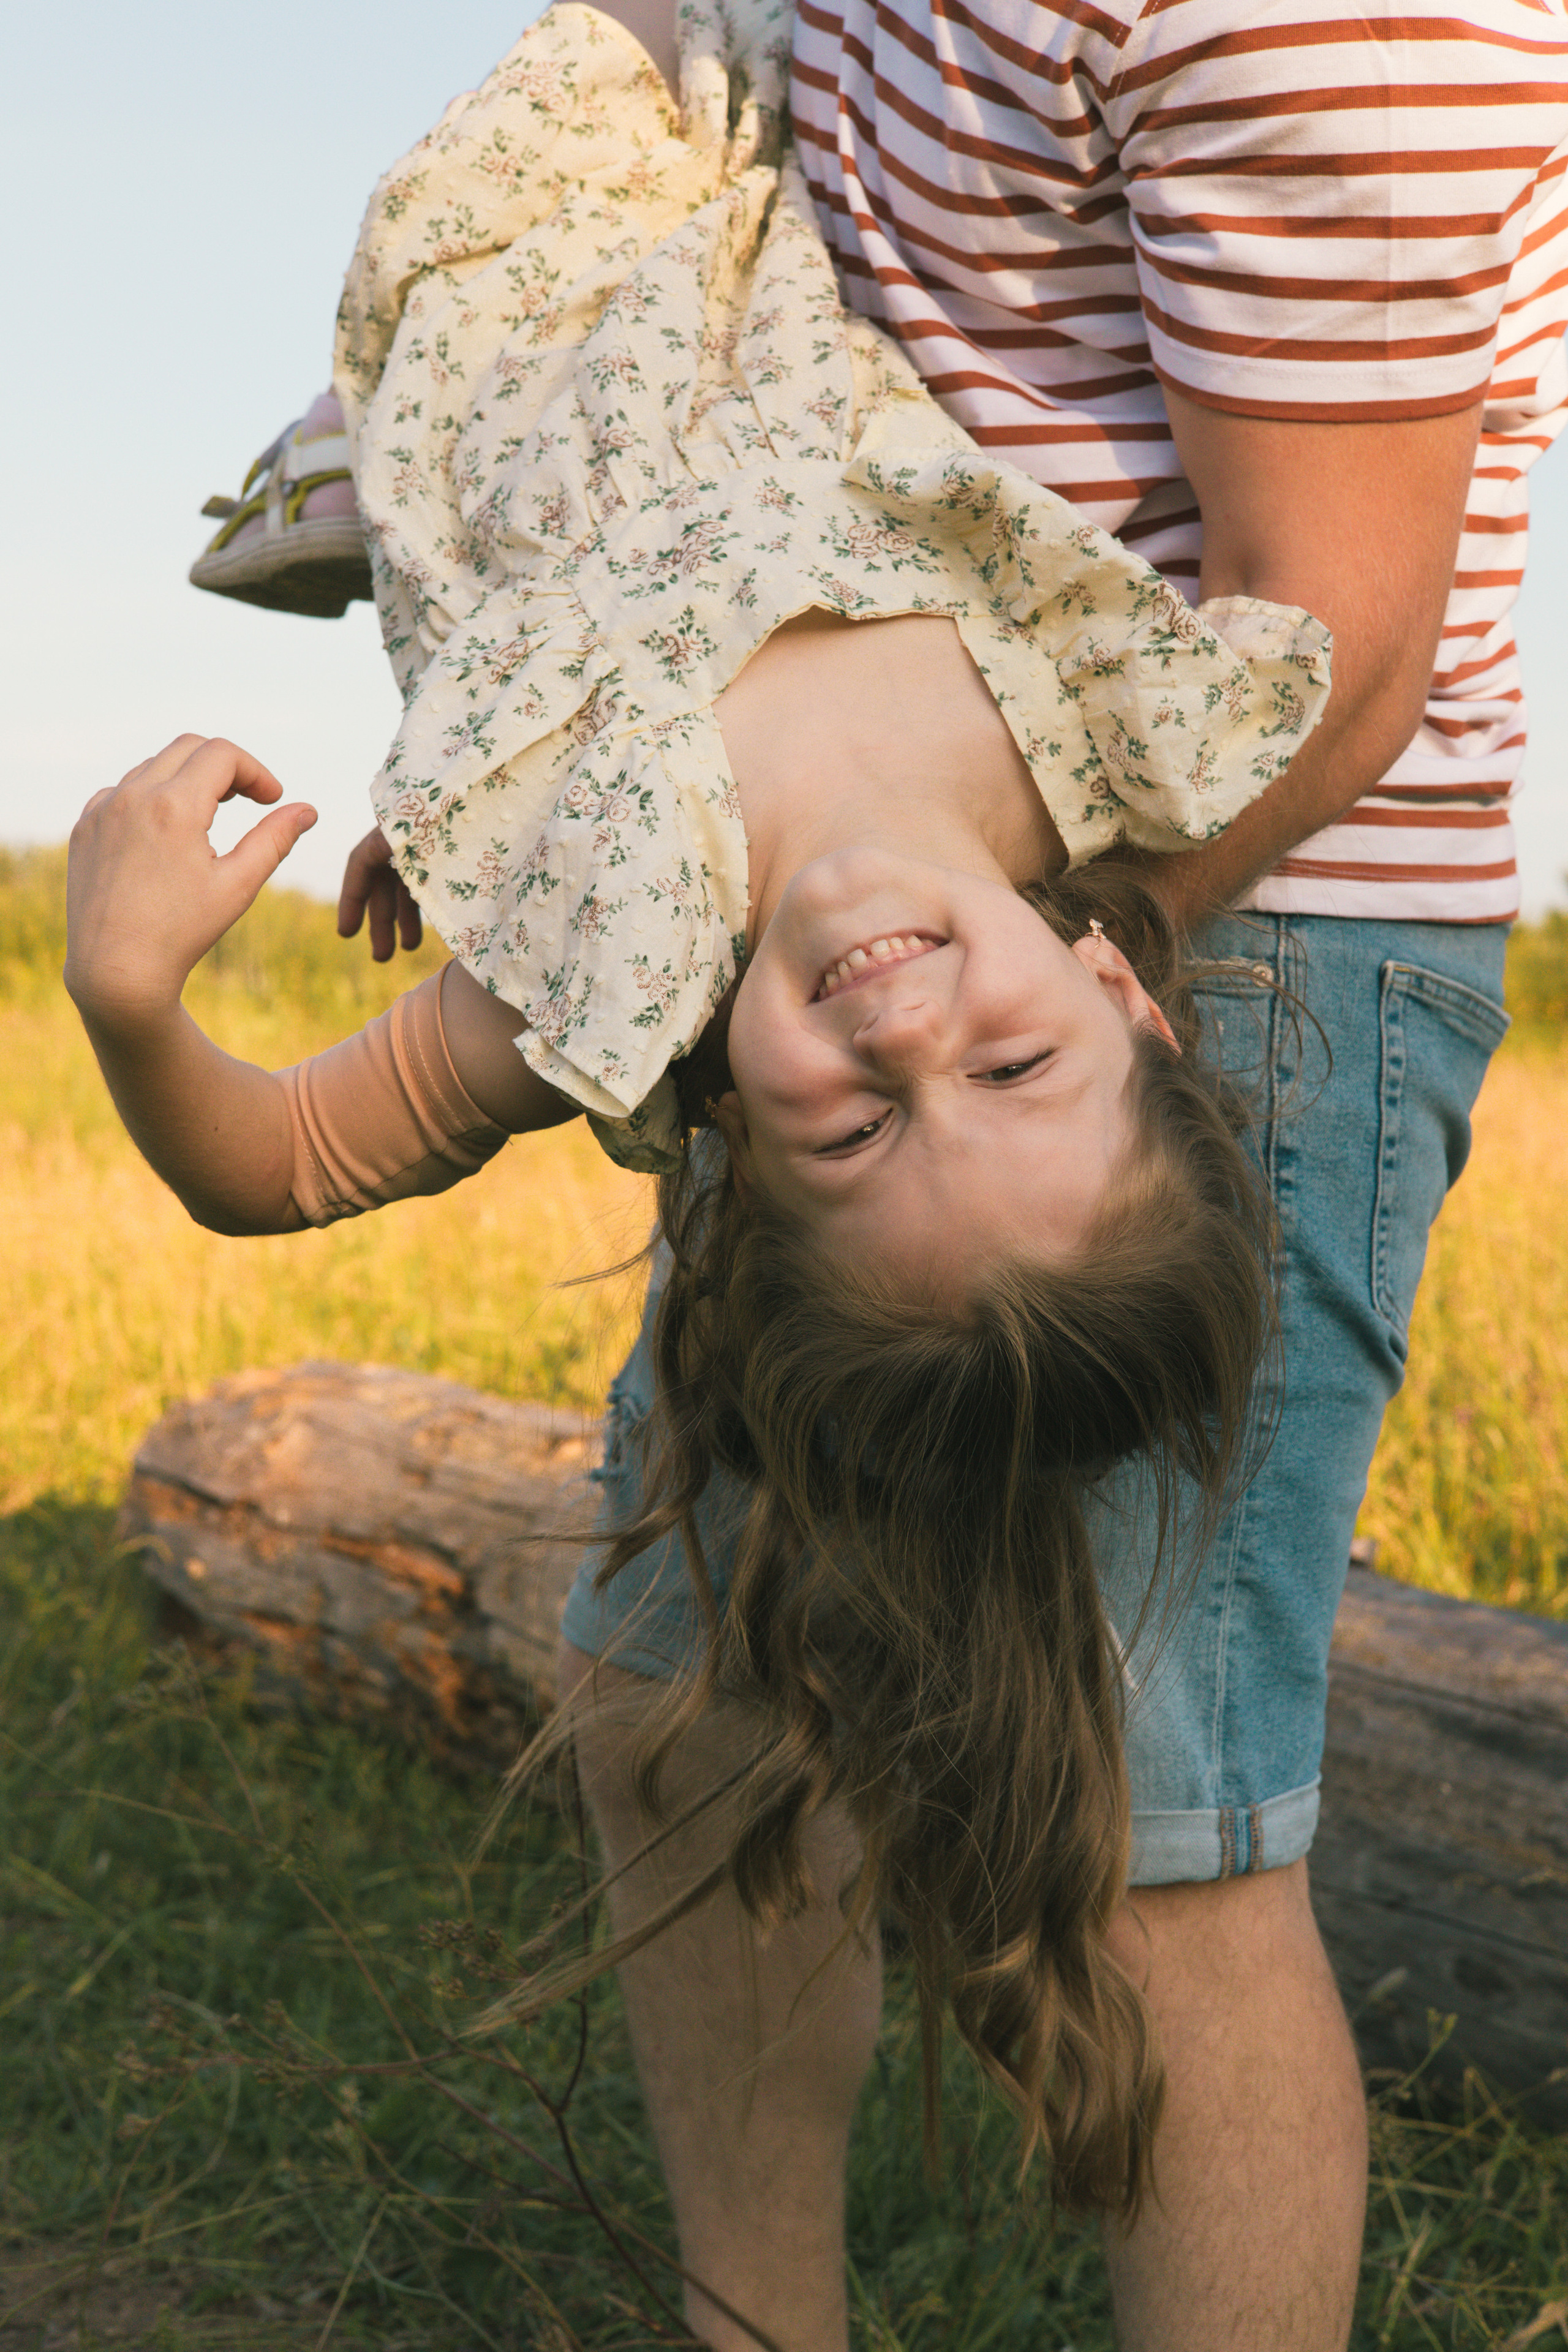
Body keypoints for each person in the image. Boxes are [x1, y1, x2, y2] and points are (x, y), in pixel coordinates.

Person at [69, 5, 1341, 2330]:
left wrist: (135, 998)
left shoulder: (613, 957)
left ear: (736, 1156)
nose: (907, 1027)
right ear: (1136, 995)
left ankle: (361, 491)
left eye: (862, 1123)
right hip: (710, 174)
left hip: (499, 250)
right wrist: (486, 739)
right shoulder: (1125, 737)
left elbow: (271, 1169)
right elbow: (1334, 623)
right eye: (1019, 1070)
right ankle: (366, 516)